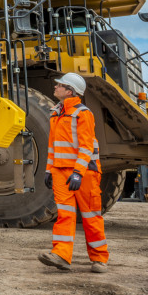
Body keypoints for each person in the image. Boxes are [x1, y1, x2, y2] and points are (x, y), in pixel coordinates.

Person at [37, 72, 109, 273]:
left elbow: (86, 147)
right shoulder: (55, 113)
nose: (55, 87)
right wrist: (49, 170)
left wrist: (77, 172)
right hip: (60, 172)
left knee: (91, 216)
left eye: (60, 85)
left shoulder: (82, 113)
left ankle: (99, 259)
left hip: (84, 173)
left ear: (70, 91)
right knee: (64, 215)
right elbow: (52, 146)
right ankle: (61, 255)